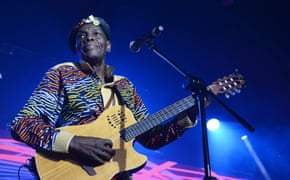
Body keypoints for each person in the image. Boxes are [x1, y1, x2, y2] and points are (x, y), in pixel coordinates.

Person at [10, 15, 204, 179]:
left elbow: (151, 138)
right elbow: (23, 123)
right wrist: (72, 143)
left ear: (108, 45)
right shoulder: (63, 73)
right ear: (77, 46)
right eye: (82, 36)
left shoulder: (124, 85)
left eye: (96, 33)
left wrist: (186, 117)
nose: (89, 38)